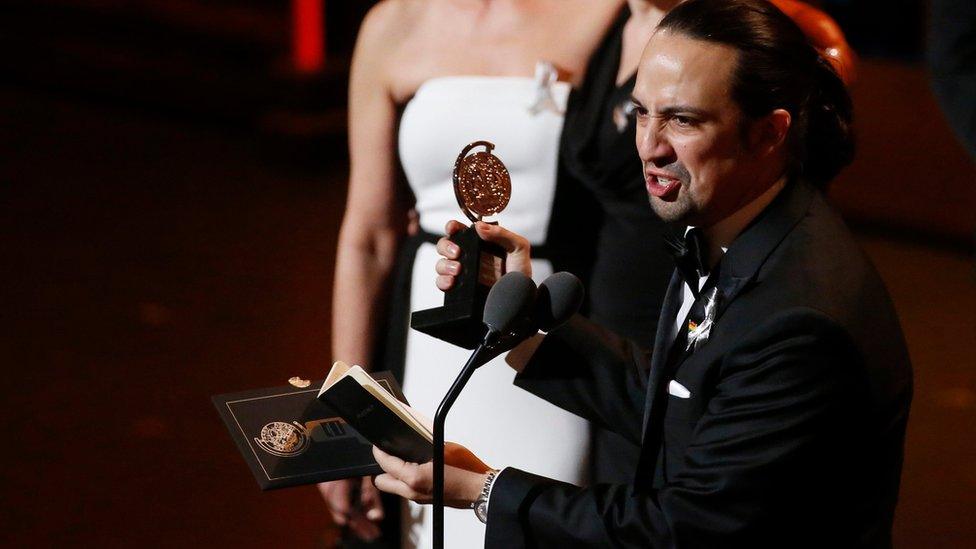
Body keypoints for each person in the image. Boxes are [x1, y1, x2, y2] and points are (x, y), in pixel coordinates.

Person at [372, 0, 914, 546]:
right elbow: (681, 403)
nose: (649, 148)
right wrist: (524, 328)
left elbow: (686, 529)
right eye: (641, 113)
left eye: (682, 119)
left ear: (768, 134)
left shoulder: (799, 319)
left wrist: (487, 491)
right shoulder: (728, 227)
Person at [322, 1, 622, 547]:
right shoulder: (393, 24)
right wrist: (346, 412)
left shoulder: (604, 14)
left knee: (540, 519)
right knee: (421, 520)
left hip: (548, 325)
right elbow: (369, 236)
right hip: (426, 316)